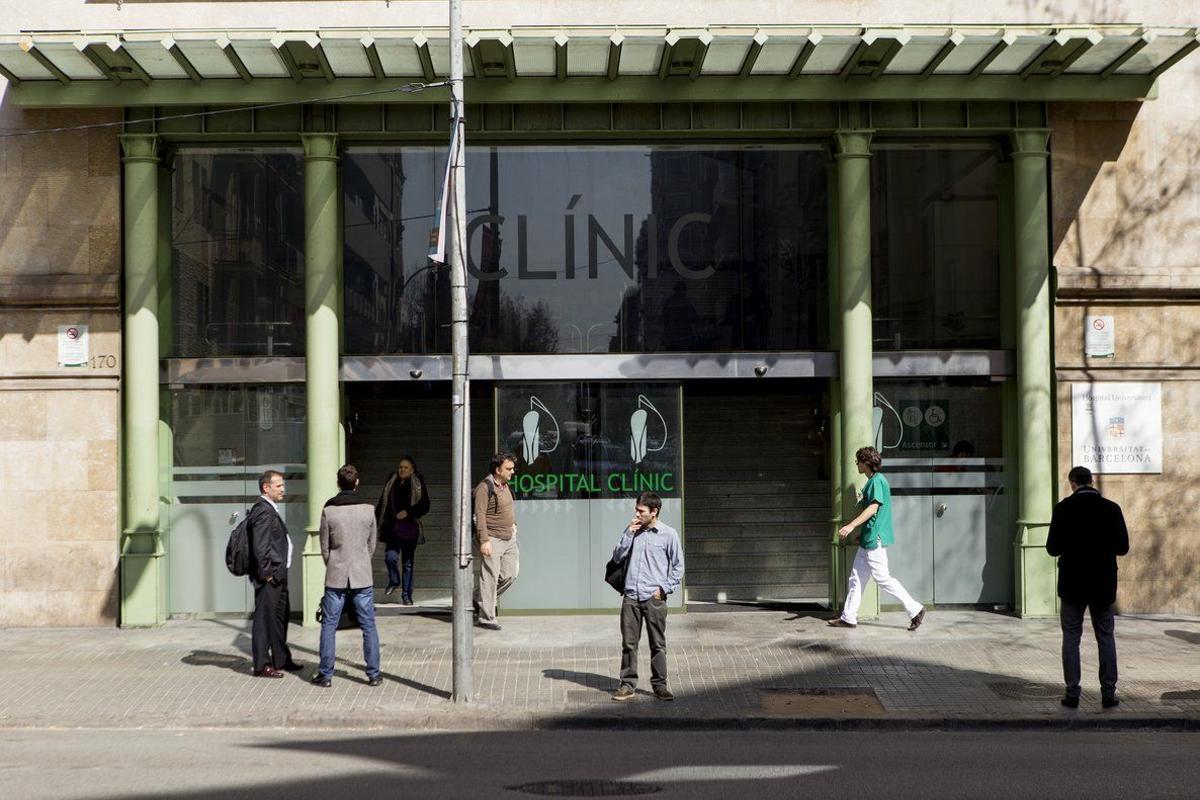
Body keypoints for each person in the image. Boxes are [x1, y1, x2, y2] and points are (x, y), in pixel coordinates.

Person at [1046, 465, 1130, 709]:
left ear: (1073, 483)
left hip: (1072, 584)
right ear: (1091, 481)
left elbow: (1052, 548)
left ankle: (1072, 693)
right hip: (1103, 584)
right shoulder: (1111, 509)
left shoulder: (1063, 509)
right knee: (1105, 636)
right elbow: (1123, 547)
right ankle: (1108, 692)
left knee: (1071, 637)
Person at [829, 446, 926, 631]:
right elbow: (875, 514)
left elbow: (873, 508)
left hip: (875, 540)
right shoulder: (875, 481)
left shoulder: (876, 482)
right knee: (856, 578)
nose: (857, 464)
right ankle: (848, 617)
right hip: (869, 539)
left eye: (858, 461)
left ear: (866, 463)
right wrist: (862, 534)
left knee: (883, 579)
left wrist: (851, 526)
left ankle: (915, 609)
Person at [312, 464, 383, 688]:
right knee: (368, 625)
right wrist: (361, 560)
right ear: (357, 482)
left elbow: (324, 546)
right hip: (362, 574)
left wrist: (334, 563)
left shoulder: (329, 511)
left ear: (338, 483)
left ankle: (325, 675)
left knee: (329, 625)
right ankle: (373, 674)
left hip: (336, 574)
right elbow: (372, 544)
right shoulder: (368, 510)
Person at [611, 492, 684, 702]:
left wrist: (664, 589)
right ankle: (627, 684)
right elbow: (617, 557)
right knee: (629, 643)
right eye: (636, 509)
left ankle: (660, 686)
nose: (637, 513)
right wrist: (627, 534)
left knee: (658, 644)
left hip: (654, 598)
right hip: (631, 596)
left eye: (641, 511)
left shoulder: (669, 534)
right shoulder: (633, 531)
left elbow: (678, 566)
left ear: (654, 512)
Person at [248, 469, 302, 677]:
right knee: (263, 620)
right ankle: (262, 665)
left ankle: (281, 658)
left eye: (282, 485)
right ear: (266, 487)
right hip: (270, 576)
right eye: (278, 485)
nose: (283, 489)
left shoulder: (270, 509)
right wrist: (266, 573)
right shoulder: (263, 510)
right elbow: (260, 545)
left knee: (280, 617)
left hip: (278, 575)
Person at [375, 456, 431, 605]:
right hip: (392, 528)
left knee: (407, 563)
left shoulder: (417, 483)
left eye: (406, 467)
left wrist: (408, 512)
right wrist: (377, 520)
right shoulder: (391, 482)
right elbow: (383, 503)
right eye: (400, 467)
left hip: (409, 528)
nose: (402, 469)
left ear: (412, 470)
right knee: (390, 557)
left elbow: (425, 505)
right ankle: (394, 580)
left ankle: (407, 595)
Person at [473, 452, 519, 631]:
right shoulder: (485, 488)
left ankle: (478, 598)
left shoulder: (504, 485)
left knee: (510, 574)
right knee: (489, 577)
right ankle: (486, 617)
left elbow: (507, 508)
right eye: (509, 469)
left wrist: (514, 524)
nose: (512, 472)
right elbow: (480, 515)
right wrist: (484, 540)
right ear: (497, 469)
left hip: (509, 538)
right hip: (492, 538)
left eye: (513, 468)